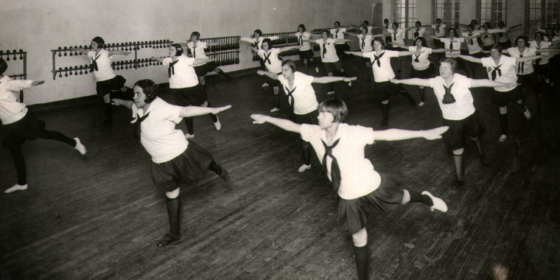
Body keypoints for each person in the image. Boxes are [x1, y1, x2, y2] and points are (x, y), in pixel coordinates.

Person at [250, 98, 448, 280]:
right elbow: (291, 125)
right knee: (358, 237)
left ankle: (426, 199)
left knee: (403, 198)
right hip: (347, 195)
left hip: (371, 185)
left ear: (336, 117)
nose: (318, 116)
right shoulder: (313, 133)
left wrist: (422, 133)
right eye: (319, 113)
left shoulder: (354, 132)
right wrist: (267, 118)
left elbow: (387, 135)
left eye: (323, 114)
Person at [112, 79, 231, 247]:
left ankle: (219, 170)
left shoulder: (162, 109)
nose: (135, 96)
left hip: (179, 153)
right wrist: (119, 101)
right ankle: (174, 235)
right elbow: (130, 104)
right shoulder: (140, 106)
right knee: (171, 195)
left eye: (138, 93)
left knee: (205, 162)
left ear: (149, 95)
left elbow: (186, 110)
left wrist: (211, 110)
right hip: (160, 161)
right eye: (134, 93)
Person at [391, 58, 517, 185]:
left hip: (469, 116)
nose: (442, 69)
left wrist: (503, 84)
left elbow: (482, 82)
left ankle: (481, 154)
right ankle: (459, 179)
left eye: (446, 67)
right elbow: (417, 80)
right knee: (457, 149)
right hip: (451, 120)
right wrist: (399, 81)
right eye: (441, 66)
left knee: (474, 136)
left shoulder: (462, 80)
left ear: (453, 69)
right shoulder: (436, 81)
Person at [0, 58, 86, 193]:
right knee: (15, 151)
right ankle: (22, 183)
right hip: (8, 124)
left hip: (21, 119)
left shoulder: (5, 82)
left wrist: (30, 83)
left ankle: (74, 142)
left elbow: (17, 84)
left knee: (45, 134)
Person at [257, 60, 356, 172]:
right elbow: (274, 76)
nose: (283, 72)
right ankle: (307, 163)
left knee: (324, 135)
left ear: (293, 70)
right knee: (304, 139)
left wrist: (342, 78)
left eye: (286, 70)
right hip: (299, 113)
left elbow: (322, 80)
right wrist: (264, 72)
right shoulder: (282, 78)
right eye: (282, 69)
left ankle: (338, 159)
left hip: (313, 112)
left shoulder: (302, 78)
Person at [453, 44, 542, 141]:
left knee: (519, 102)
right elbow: (473, 59)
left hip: (512, 88)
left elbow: (526, 58)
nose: (492, 54)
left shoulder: (508, 60)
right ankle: (504, 133)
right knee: (502, 110)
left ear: (500, 52)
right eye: (491, 52)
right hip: (498, 90)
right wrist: (458, 55)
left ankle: (524, 109)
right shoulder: (488, 61)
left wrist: (542, 55)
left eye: (495, 52)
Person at [151, 44, 220, 139]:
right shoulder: (169, 60)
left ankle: (215, 118)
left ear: (178, 51)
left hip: (191, 88)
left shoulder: (185, 59)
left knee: (203, 104)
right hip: (177, 89)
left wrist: (209, 60)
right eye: (169, 49)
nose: (169, 51)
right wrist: (154, 58)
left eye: (172, 49)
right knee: (185, 110)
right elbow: (162, 60)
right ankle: (190, 133)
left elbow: (197, 61)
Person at [346, 38, 418, 126]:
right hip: (379, 81)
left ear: (382, 45)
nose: (376, 46)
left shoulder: (387, 52)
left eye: (378, 44)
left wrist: (414, 52)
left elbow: (401, 53)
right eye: (374, 44)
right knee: (384, 100)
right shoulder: (371, 54)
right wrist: (350, 52)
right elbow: (361, 54)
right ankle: (385, 119)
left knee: (401, 90)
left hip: (390, 79)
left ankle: (410, 98)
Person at [74, 37, 132, 126]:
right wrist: (77, 49)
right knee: (106, 99)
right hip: (101, 81)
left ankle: (137, 95)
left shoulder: (105, 53)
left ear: (99, 45)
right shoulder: (92, 53)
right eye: (91, 44)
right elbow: (85, 52)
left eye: (94, 44)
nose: (92, 45)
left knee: (123, 89)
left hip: (111, 79)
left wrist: (123, 53)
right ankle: (109, 120)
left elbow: (114, 52)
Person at [392, 37, 448, 106]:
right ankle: (422, 100)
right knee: (421, 85)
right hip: (416, 69)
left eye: (419, 41)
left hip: (425, 69)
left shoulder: (426, 49)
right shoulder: (412, 48)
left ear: (422, 42)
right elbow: (403, 46)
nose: (417, 42)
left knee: (428, 83)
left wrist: (448, 49)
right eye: (416, 40)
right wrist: (394, 43)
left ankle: (442, 91)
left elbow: (438, 50)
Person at [249, 39, 300, 112]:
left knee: (289, 88)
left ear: (269, 45)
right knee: (275, 90)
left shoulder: (274, 51)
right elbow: (256, 50)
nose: (264, 47)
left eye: (265, 45)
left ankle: (297, 105)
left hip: (282, 73)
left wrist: (296, 46)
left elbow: (284, 49)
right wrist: (250, 47)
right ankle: (277, 106)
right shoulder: (262, 52)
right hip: (272, 74)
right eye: (263, 45)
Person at [303, 30, 353, 95]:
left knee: (341, 70)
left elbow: (340, 40)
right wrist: (306, 40)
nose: (324, 35)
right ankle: (332, 89)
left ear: (327, 35)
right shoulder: (320, 40)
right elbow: (313, 41)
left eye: (325, 34)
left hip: (334, 59)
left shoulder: (331, 40)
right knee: (329, 74)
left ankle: (348, 80)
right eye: (323, 34)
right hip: (325, 60)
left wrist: (350, 40)